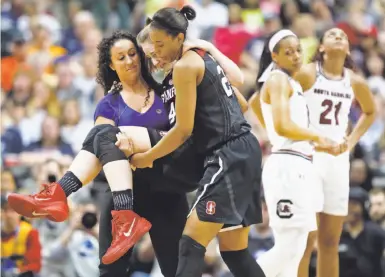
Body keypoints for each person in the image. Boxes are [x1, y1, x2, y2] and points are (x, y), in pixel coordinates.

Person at [131, 6, 266, 277]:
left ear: (178, 40)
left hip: (228, 154)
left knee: (191, 242)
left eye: (158, 47)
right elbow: (239, 103)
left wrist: (148, 157)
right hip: (241, 151)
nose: (155, 57)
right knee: (235, 253)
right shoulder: (188, 65)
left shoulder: (186, 65)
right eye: (149, 55)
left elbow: (183, 130)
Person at [249, 29, 345, 277]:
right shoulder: (277, 79)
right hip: (287, 168)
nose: (295, 56)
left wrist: (320, 143)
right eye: (288, 52)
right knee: (289, 246)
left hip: (300, 164)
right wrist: (316, 136)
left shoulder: (288, 82)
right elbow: (282, 126)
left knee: (301, 245)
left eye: (298, 50)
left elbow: (254, 104)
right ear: (275, 56)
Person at [292, 28, 376, 277]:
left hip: (338, 162)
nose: (339, 36)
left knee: (330, 241)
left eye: (343, 36)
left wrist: (350, 142)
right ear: (321, 47)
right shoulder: (307, 74)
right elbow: (283, 107)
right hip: (310, 157)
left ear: (348, 49)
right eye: (331, 35)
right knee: (307, 239)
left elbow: (370, 112)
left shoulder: (355, 80)